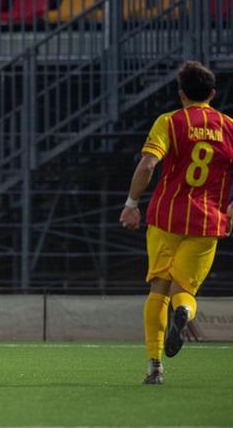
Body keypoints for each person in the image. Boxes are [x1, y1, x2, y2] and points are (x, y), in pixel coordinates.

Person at [119, 61, 233, 385]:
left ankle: (155, 367)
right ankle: (184, 313)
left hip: (166, 217)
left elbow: (148, 165)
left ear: (181, 93)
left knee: (158, 289)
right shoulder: (229, 126)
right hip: (208, 221)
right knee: (185, 291)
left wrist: (131, 204)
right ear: (212, 94)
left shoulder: (169, 122)